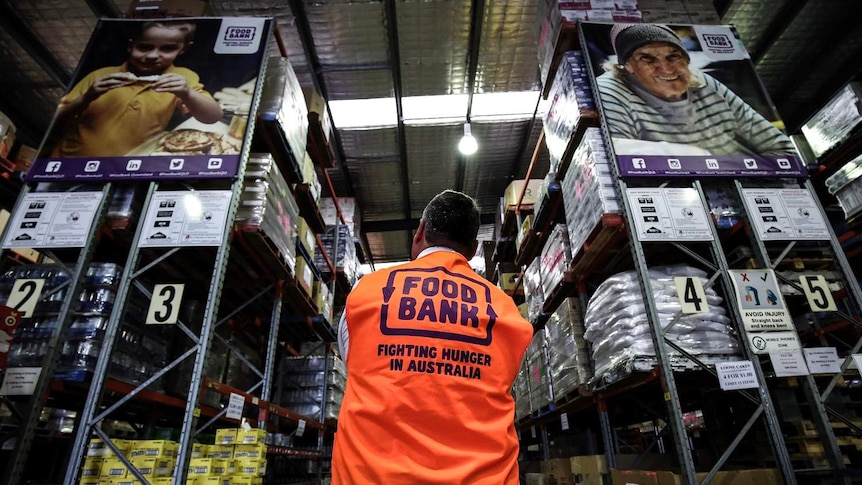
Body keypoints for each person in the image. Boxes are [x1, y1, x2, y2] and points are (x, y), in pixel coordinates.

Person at [332, 190, 534, 485]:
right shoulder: (506, 311)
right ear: (474, 248)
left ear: (420, 232)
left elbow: (357, 367)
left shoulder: (365, 293)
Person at [596, 23, 797, 156]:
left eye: (673, 56)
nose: (666, 68)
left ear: (686, 59)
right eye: (647, 58)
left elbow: (779, 146)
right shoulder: (611, 89)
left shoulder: (702, 81)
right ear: (627, 66)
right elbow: (617, 153)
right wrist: (694, 155)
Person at [48, 20, 223, 158]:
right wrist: (87, 97)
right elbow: (55, 123)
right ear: (131, 45)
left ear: (184, 49)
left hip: (129, 166)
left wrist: (187, 93)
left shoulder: (182, 77)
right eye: (144, 47)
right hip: (68, 161)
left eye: (168, 48)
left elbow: (212, 117)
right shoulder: (100, 75)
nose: (152, 56)